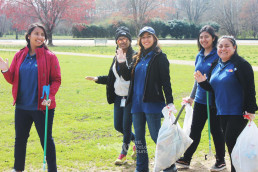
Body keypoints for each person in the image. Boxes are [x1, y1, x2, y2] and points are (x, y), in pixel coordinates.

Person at [0, 23, 61, 172]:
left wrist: (50, 96)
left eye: (42, 35)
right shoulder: (19, 55)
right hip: (22, 106)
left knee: (46, 140)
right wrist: (5, 69)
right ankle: (18, 168)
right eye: (37, 34)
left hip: (42, 107)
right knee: (20, 140)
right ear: (29, 36)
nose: (40, 37)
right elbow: (12, 78)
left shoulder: (50, 57)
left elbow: (56, 80)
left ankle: (52, 169)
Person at [194, 35, 258, 172]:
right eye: (220, 46)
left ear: (234, 47)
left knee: (231, 141)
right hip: (221, 111)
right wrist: (203, 83)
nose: (223, 49)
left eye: (227, 46)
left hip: (238, 111)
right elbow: (214, 88)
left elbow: (250, 88)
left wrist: (251, 109)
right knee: (231, 143)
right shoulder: (216, 65)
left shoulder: (241, 64)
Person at [118, 26, 177, 172]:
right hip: (136, 104)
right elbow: (126, 77)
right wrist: (121, 62)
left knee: (157, 137)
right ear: (140, 40)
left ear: (154, 38)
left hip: (152, 103)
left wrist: (169, 102)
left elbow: (166, 81)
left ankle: (170, 166)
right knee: (139, 140)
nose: (146, 40)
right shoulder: (137, 57)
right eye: (143, 37)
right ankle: (141, 167)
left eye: (148, 36)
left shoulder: (160, 57)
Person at [176, 25, 226, 171]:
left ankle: (221, 161)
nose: (204, 39)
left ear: (213, 38)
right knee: (194, 130)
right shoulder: (199, 55)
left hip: (214, 100)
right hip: (199, 100)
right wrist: (191, 97)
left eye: (207, 37)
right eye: (201, 37)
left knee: (216, 131)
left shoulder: (218, 55)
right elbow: (196, 79)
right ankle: (186, 159)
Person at [85, 26, 136, 165]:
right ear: (116, 42)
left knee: (126, 128)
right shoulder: (116, 56)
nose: (122, 41)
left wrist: (122, 61)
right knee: (118, 126)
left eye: (125, 39)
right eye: (120, 39)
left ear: (130, 41)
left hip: (130, 97)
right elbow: (113, 78)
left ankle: (123, 155)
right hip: (119, 97)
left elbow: (127, 76)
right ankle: (137, 142)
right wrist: (97, 78)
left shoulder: (134, 56)